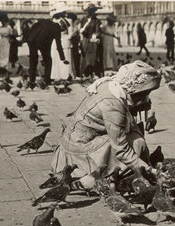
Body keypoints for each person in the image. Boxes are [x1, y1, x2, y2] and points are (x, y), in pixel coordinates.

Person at [51, 61, 161, 190]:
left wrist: (138, 104)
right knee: (136, 143)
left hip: (76, 140)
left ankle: (130, 168)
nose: (146, 95)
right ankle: (102, 176)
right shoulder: (112, 105)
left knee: (133, 134)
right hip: (79, 152)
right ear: (134, 87)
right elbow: (121, 148)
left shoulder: (114, 85)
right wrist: (149, 169)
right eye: (145, 92)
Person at [26, 16, 70, 85]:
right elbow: (59, 45)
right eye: (63, 29)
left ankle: (32, 80)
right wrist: (63, 58)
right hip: (42, 43)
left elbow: (34, 26)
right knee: (48, 61)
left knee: (33, 60)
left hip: (31, 40)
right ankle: (47, 80)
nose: (62, 31)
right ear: (62, 25)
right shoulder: (57, 28)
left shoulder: (46, 21)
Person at [80, 3, 102, 80]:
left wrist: (94, 36)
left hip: (93, 41)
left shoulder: (96, 20)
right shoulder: (83, 19)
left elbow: (98, 31)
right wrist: (84, 34)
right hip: (85, 40)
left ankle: (93, 72)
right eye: (89, 11)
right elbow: (81, 30)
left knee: (93, 57)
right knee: (85, 56)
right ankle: (85, 73)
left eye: (92, 11)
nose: (91, 13)